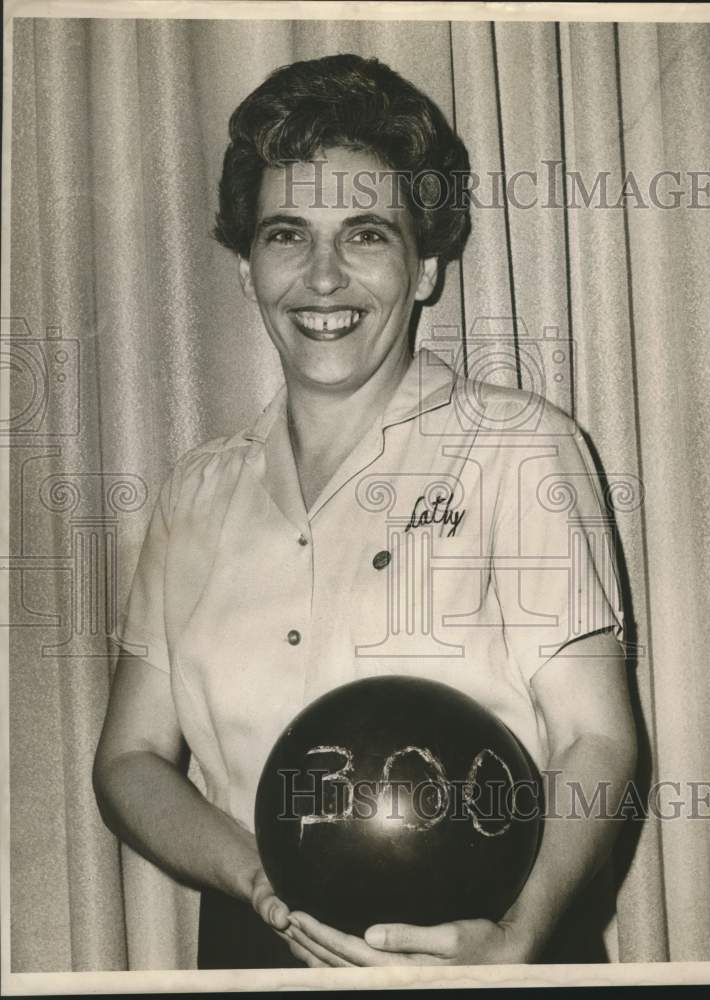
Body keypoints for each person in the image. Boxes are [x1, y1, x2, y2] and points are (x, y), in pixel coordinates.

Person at [93, 53, 637, 970]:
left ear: (425, 267)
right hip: (253, 948)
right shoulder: (195, 491)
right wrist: (253, 876)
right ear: (244, 267)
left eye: (368, 234)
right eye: (286, 234)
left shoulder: (516, 448)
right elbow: (129, 759)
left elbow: (599, 739)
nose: (323, 276)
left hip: (487, 936)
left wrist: (521, 937)